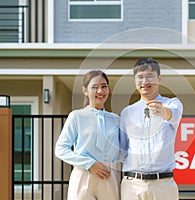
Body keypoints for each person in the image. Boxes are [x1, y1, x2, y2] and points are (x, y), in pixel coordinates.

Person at [119, 57, 183, 200]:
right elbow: (122, 150)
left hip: (164, 185)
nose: (145, 82)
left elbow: (173, 115)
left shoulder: (172, 103)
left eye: (150, 76)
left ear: (159, 78)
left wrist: (163, 112)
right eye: (140, 77)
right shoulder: (127, 113)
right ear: (135, 80)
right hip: (133, 185)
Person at [55, 70, 120, 200]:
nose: (100, 91)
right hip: (83, 175)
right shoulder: (76, 116)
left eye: (104, 86)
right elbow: (60, 149)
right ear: (85, 90)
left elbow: (123, 150)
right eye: (94, 87)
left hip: (109, 175)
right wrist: (90, 164)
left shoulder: (116, 119)